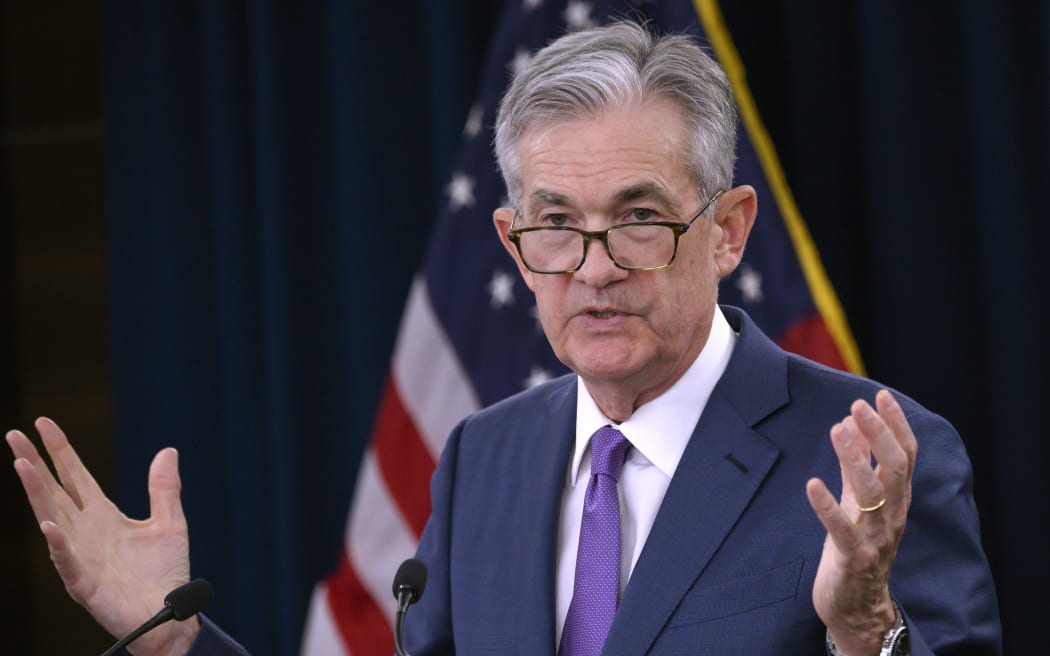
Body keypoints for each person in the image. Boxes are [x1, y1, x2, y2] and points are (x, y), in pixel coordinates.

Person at [8, 21, 1000, 656]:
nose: (595, 267)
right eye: (556, 224)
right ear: (512, 244)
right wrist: (177, 640)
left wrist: (867, 632)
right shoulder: (486, 456)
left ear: (729, 231)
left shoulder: (876, 455)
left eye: (639, 218)